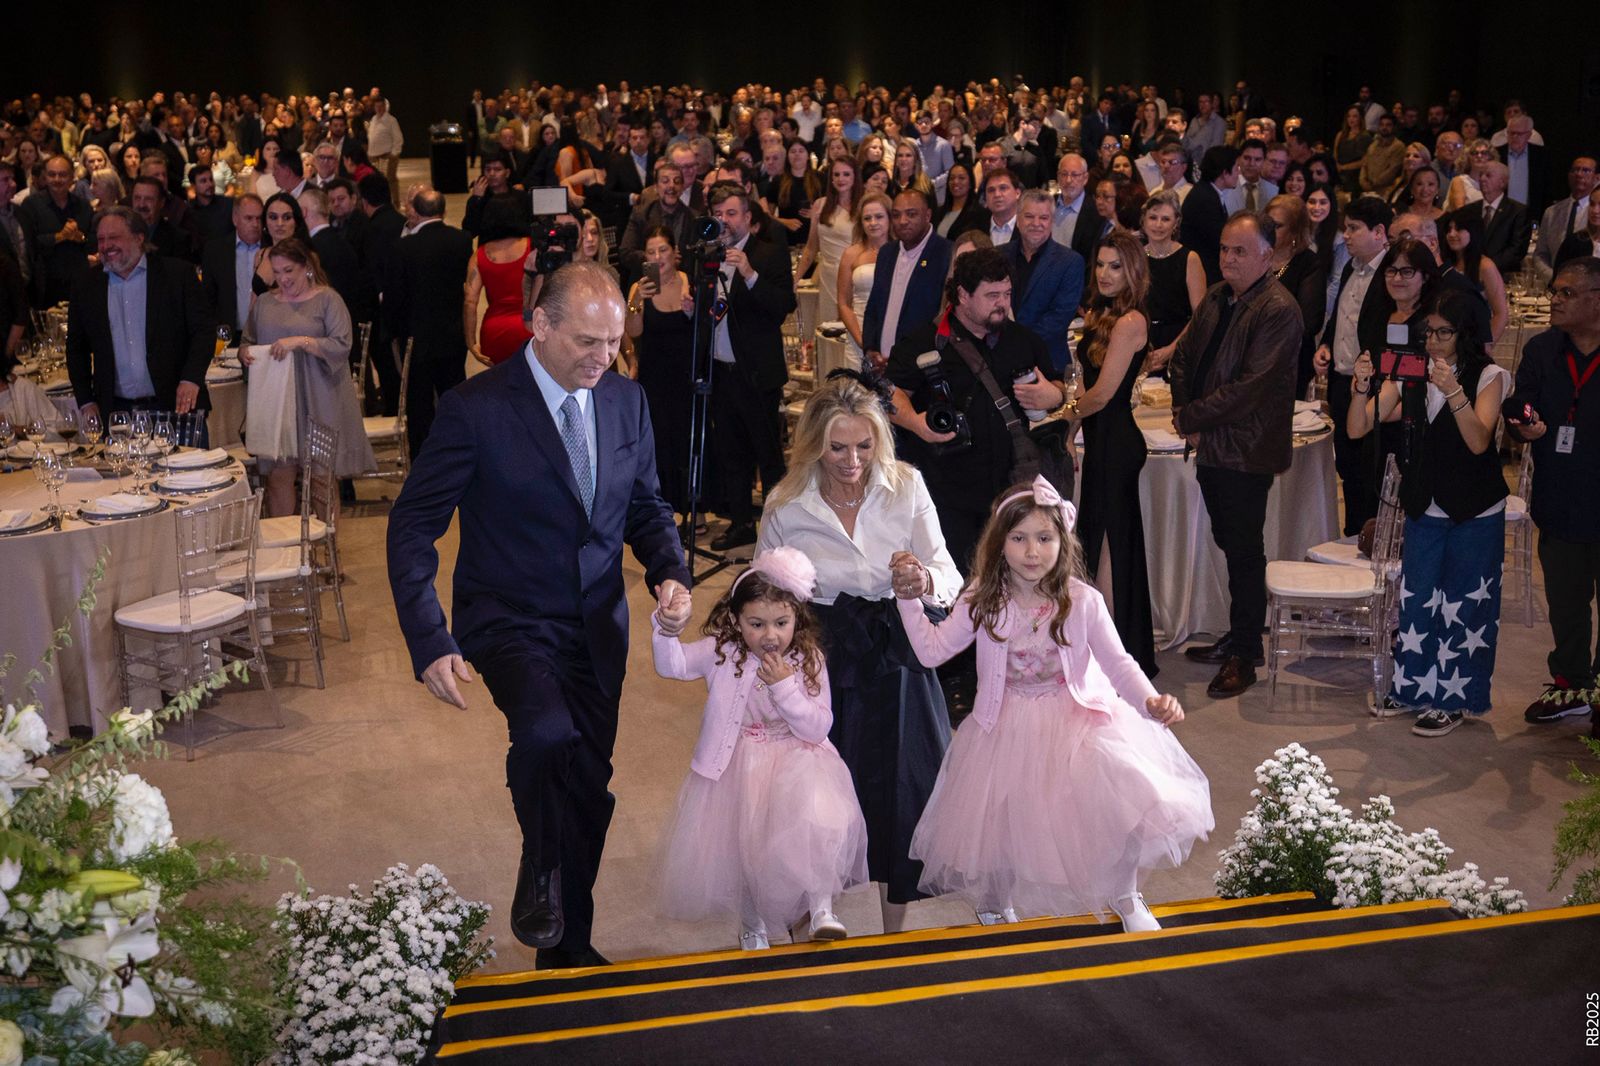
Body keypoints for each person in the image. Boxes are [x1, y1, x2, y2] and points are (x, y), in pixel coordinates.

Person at [387, 261, 692, 970]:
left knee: (588, 783)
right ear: (540, 323)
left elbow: (645, 506)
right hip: (508, 616)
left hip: (598, 624)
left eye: (613, 342)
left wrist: (670, 573)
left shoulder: (626, 402)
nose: (601, 357)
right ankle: (541, 859)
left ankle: (568, 948)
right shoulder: (476, 408)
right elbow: (411, 526)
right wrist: (429, 637)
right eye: (586, 340)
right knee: (549, 736)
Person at [894, 477, 1212, 930]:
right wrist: (909, 602)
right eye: (1019, 538)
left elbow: (1118, 664)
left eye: (1044, 539)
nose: (1032, 552)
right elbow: (931, 652)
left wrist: (1150, 702)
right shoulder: (983, 599)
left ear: (1062, 542)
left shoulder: (1083, 601)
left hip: (1079, 716)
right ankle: (994, 901)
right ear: (999, 543)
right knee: (999, 819)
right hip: (1004, 722)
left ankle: (1125, 895)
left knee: (1122, 798)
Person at [756, 376, 963, 933]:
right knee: (813, 799)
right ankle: (808, 922)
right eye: (837, 446)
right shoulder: (785, 505)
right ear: (813, 444)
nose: (852, 460)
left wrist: (920, 580)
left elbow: (948, 571)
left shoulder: (907, 486)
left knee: (902, 798)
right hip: (821, 658)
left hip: (897, 654)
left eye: (864, 446)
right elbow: (763, 594)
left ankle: (891, 935)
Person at [651, 548, 869, 949]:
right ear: (736, 619)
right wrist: (666, 631)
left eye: (782, 623)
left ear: (797, 619)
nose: (771, 635)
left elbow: (818, 726)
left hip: (799, 760)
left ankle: (822, 909)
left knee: (815, 828)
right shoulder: (723, 652)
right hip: (738, 768)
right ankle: (753, 926)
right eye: (757, 623)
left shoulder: (807, 659)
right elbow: (673, 665)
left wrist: (785, 685)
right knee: (746, 849)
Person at [1346, 289, 1507, 736]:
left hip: (1475, 509)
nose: (1433, 341)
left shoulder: (1490, 375)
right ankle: (1413, 687)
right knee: (1417, 600)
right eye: (1427, 332)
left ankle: (1455, 699)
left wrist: (1454, 391)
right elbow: (1359, 426)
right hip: (1425, 504)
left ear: (1465, 333)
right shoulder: (1410, 374)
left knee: (1464, 604)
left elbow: (1478, 441)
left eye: (1444, 332)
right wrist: (1362, 386)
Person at [1169, 212, 1302, 698]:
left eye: (1240, 251)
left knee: (1245, 550)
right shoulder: (1218, 297)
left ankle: (1247, 651)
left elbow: (1251, 389)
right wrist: (1187, 412)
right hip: (1211, 443)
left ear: (1268, 255)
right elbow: (1184, 359)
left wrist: (1192, 419)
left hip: (1246, 448)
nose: (1228, 258)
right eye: (1224, 249)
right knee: (1230, 541)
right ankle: (1239, 635)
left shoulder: (1278, 308)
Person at [884, 246, 1064, 576]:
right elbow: (888, 394)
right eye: (991, 294)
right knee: (960, 583)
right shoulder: (925, 341)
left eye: (1007, 293)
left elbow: (1059, 389)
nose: (1002, 304)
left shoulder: (1023, 340)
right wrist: (917, 422)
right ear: (962, 296)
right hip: (949, 494)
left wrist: (1052, 394)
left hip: (1013, 491)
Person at [1503, 260, 1600, 737]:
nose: (1554, 299)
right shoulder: (1543, 348)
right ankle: (1570, 686)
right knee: (1565, 601)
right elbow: (1520, 400)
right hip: (1560, 498)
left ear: (1597, 299)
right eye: (1553, 291)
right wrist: (1525, 421)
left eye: (1566, 292)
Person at [1067, 231, 1157, 676]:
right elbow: (1086, 386)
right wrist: (1071, 428)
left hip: (1119, 443)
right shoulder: (1102, 315)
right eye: (1100, 265)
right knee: (1098, 539)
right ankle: (1107, 647)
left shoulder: (1131, 322)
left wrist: (1062, 412)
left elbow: (1102, 395)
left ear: (1133, 270)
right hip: (1102, 440)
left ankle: (1114, 655)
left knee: (1110, 546)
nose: (1104, 274)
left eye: (1115, 266)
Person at [240, 238, 374, 514]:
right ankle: (287, 551)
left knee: (322, 478)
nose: (282, 278)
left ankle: (328, 549)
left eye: (288, 271)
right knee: (278, 476)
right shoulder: (265, 302)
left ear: (306, 267)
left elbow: (341, 344)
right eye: (276, 272)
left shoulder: (327, 299)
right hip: (278, 400)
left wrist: (301, 341)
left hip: (320, 396)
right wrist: (245, 353)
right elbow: (247, 339)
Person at [706, 184, 795, 552]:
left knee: (767, 454)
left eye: (731, 213)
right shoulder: (708, 257)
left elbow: (783, 306)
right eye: (719, 213)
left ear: (747, 217)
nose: (724, 220)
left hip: (757, 374)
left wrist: (750, 274)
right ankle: (741, 523)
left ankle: (776, 530)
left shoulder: (768, 254)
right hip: (720, 370)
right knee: (731, 453)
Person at [65, 206, 209, 425]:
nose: (105, 246)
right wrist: (85, 400)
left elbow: (203, 330)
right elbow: (76, 348)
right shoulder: (86, 285)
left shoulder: (177, 275)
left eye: (114, 237)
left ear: (139, 238)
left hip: (176, 406)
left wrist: (191, 378)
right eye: (101, 239)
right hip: (116, 413)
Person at [1314, 196, 1394, 534]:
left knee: (1371, 470)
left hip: (1374, 387)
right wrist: (1326, 344)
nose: (1346, 235)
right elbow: (1342, 316)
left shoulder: (1393, 273)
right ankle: (1352, 537)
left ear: (1378, 232)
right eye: (1345, 228)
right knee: (1347, 466)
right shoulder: (1350, 266)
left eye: (1353, 229)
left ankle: (1372, 538)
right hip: (1342, 381)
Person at [383, 187, 474, 457]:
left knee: (419, 404)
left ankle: (424, 459)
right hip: (452, 336)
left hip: (416, 338)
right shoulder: (462, 240)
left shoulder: (403, 247)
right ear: (443, 212)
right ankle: (460, 450)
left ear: (415, 212)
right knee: (455, 396)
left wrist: (392, 332)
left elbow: (395, 297)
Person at [624, 226, 695, 518]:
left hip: (683, 374)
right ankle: (663, 509)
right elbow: (633, 331)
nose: (657, 257)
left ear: (674, 253)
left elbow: (695, 327)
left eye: (662, 250)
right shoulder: (638, 288)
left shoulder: (685, 280)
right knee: (660, 441)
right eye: (651, 252)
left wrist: (691, 311)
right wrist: (637, 301)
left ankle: (693, 509)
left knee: (685, 439)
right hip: (654, 374)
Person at [862, 189, 954, 372]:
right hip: (881, 367)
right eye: (896, 215)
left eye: (911, 214)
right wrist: (870, 348)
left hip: (923, 368)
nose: (903, 221)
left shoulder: (946, 253)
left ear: (927, 215)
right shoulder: (887, 253)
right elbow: (873, 306)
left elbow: (945, 317)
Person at [1003, 189, 1086, 372]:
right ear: (1018, 219)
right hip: (999, 360)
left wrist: (1014, 344)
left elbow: (1059, 317)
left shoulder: (1070, 262)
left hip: (1047, 362)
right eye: (1029, 216)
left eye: (1043, 218)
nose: (1036, 224)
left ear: (1052, 221)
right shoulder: (998, 255)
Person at [1263, 194, 1328, 395]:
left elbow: (1309, 321)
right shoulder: (1257, 255)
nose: (1269, 231)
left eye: (1277, 226)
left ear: (1295, 230)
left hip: (1291, 359)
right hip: (1254, 356)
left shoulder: (1308, 263)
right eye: (1266, 224)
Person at [463, 198, 533, 367]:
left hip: (494, 332)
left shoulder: (479, 255)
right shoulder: (532, 247)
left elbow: (470, 302)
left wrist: (471, 342)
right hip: (529, 328)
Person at [1140, 190, 1205, 369]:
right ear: (1144, 220)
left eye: (1166, 219)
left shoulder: (1190, 258)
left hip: (1180, 344)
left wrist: (1170, 350)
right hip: (1140, 342)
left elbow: (1200, 315)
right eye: (1153, 217)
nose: (1158, 225)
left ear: (1176, 223)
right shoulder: (1135, 257)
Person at [17, 154, 92, 307]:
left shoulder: (83, 206)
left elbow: (91, 241)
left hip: (77, 283)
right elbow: (28, 246)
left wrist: (80, 237)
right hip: (44, 285)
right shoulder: (31, 205)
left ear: (72, 176)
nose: (57, 179)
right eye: (52, 175)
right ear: (45, 176)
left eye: (62, 175)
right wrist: (60, 236)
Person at [796, 158, 858, 325]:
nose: (841, 179)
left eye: (846, 174)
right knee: (827, 327)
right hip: (828, 275)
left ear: (854, 177)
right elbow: (811, 248)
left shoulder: (863, 207)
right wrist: (795, 280)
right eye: (836, 174)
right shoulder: (820, 205)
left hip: (853, 276)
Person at [836, 192, 891, 365]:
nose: (873, 223)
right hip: (858, 333)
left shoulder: (902, 253)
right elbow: (843, 303)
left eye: (879, 217)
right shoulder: (851, 254)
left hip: (892, 335)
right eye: (867, 218)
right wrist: (863, 342)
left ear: (890, 218)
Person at [1440, 209, 1510, 341]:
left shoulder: (1485, 266)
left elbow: (1501, 313)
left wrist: (1487, 346)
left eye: (1458, 229)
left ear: (1473, 232)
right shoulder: (1445, 264)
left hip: (1473, 339)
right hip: (1445, 337)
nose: (1452, 234)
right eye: (1449, 229)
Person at [200, 193, 263, 338]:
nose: (255, 224)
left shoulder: (272, 249)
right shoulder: (216, 251)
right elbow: (208, 298)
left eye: (259, 218)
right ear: (235, 219)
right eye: (249, 218)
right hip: (229, 336)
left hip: (265, 336)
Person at [1181, 146, 1240, 285]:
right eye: (1237, 168)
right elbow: (1218, 239)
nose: (1239, 173)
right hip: (1202, 274)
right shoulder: (1204, 198)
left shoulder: (1208, 192)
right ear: (1225, 172)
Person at [1535, 156, 1598, 271]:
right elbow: (1540, 254)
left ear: (1596, 178)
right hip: (1552, 281)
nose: (1579, 174)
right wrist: (1553, 279)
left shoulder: (1596, 214)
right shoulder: (1551, 212)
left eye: (1585, 170)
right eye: (1574, 170)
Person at [1475, 161, 1532, 280]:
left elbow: (1516, 250)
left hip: (1503, 278)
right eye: (1481, 175)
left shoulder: (1518, 211)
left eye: (1488, 175)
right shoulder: (1471, 210)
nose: (1482, 179)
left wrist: (1486, 269)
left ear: (1502, 182)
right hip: (1472, 277)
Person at [1051, 153, 1102, 267]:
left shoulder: (1095, 212)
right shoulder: (1048, 205)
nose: (1068, 180)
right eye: (1064, 174)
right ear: (1058, 177)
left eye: (1075, 175)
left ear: (1085, 178)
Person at [770, 140, 821, 248]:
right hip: (786, 240)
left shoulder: (821, 178)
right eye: (793, 151)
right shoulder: (778, 181)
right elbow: (767, 215)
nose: (797, 154)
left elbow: (830, 209)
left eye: (801, 151)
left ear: (808, 156)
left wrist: (816, 215)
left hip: (815, 239)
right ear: (787, 156)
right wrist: (784, 221)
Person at [364, 98, 403, 207]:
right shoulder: (373, 119)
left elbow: (398, 138)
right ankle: (380, 203)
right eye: (377, 106)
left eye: (381, 106)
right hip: (373, 157)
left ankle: (395, 204)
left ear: (385, 107)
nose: (379, 109)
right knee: (377, 181)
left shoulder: (391, 120)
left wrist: (394, 153)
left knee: (390, 180)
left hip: (387, 155)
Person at [934, 163, 982, 239]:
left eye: (961, 178)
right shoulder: (940, 212)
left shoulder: (979, 213)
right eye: (952, 178)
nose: (955, 182)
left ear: (970, 183)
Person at [1360, 115, 1406, 196]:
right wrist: (1363, 182)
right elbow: (1364, 165)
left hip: (1386, 191)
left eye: (1388, 125)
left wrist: (1373, 184)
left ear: (1394, 127)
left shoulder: (1398, 146)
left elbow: (1392, 170)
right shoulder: (1373, 145)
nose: (1384, 127)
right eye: (1382, 124)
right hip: (1367, 190)